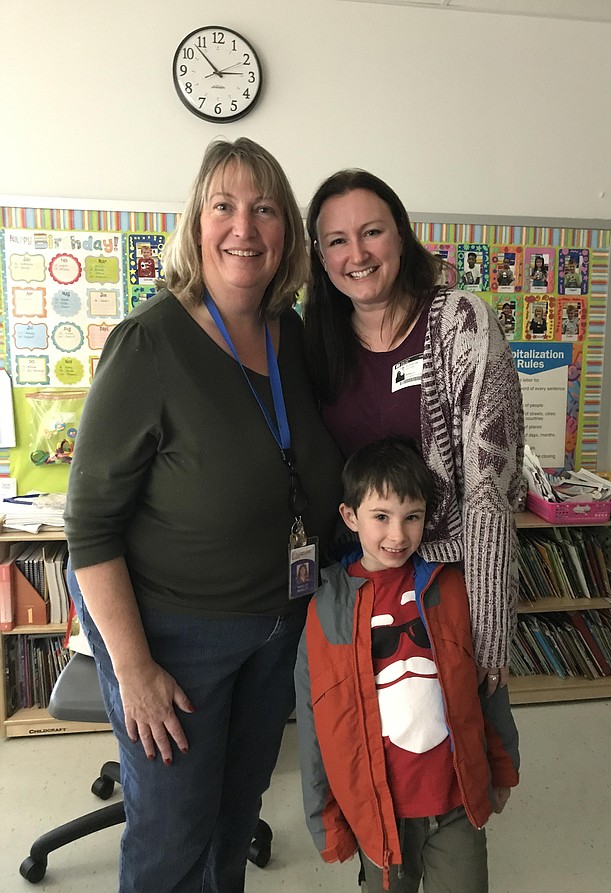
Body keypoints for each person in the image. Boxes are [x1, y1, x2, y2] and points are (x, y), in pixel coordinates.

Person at [64, 137, 343, 893]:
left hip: (276, 624)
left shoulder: (294, 339)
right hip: (175, 637)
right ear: (196, 224)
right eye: (223, 206)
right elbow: (89, 531)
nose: (243, 227)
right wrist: (134, 671)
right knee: (171, 836)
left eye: (264, 209)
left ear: (287, 232)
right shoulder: (149, 344)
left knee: (231, 816)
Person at [304, 169, 524, 692]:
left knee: (462, 749)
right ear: (321, 256)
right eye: (337, 241)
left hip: (447, 587)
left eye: (372, 232)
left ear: (400, 234)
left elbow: (489, 491)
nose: (357, 254)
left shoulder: (461, 324)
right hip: (359, 584)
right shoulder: (315, 340)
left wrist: (489, 634)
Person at [295, 436, 520, 892]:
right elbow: (316, 720)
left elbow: (484, 687)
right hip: (378, 812)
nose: (397, 535)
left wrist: (502, 765)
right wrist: (326, 819)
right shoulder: (326, 608)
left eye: (411, 517)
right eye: (381, 517)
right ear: (350, 516)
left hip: (455, 799)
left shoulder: (450, 588)